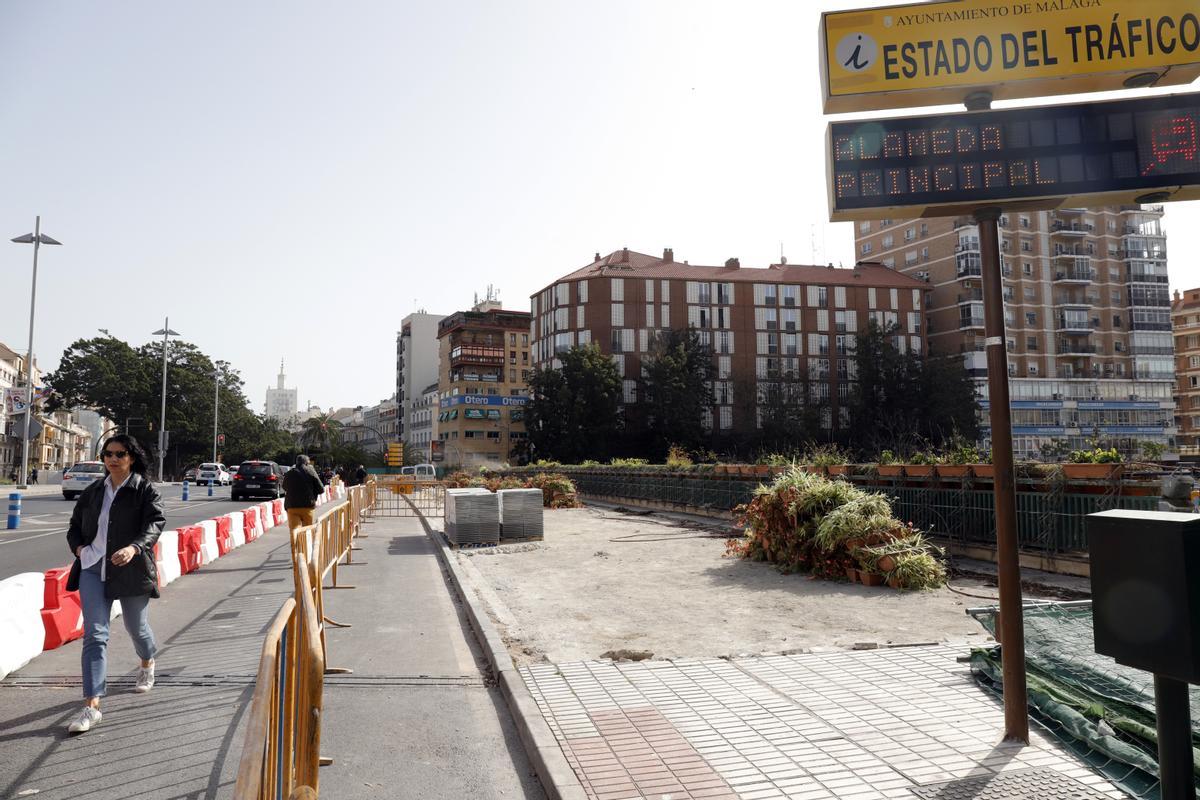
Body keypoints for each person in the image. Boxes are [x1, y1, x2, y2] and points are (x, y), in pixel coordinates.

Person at [64, 434, 165, 734]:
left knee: (137, 628)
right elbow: (74, 527)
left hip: (131, 569)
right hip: (93, 568)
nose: (112, 459)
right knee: (95, 635)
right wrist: (79, 550)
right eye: (108, 453)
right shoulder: (93, 490)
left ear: (131, 458)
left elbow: (156, 523)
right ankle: (91, 706)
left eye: (120, 454)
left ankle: (147, 662)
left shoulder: (144, 490)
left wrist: (135, 547)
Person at [283, 454, 325, 531]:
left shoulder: (289, 473)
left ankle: (295, 543)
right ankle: (306, 543)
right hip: (307, 506)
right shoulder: (311, 472)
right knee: (307, 531)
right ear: (306, 463)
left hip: (291, 506)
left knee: (294, 531)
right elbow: (321, 489)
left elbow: (284, 487)